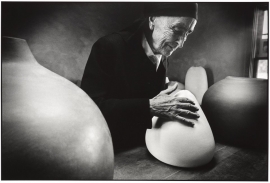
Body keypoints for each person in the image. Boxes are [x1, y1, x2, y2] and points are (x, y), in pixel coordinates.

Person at [81, 2, 200, 150]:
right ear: (152, 21)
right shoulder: (108, 47)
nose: (181, 43)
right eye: (177, 30)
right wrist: (149, 106)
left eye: (187, 33)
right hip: (108, 148)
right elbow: (89, 108)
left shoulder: (162, 55)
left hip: (143, 147)